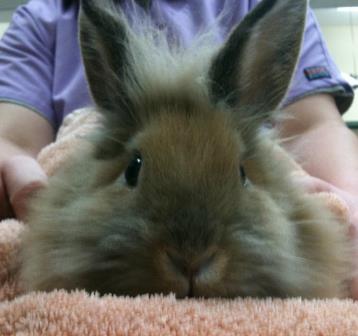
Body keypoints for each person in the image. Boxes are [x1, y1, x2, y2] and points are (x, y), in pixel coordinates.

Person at [1, 0, 358, 294]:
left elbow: (316, 126)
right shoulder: (43, 16)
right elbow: (12, 142)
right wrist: (16, 166)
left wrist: (347, 199)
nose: (192, 256)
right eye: (135, 168)